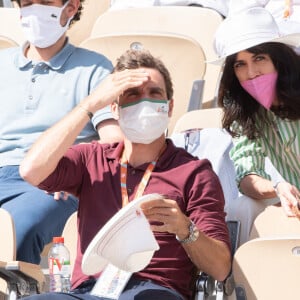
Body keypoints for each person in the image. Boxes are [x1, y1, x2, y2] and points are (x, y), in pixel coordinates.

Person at [20, 49, 231, 300]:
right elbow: (31, 170)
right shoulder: (92, 158)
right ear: (115, 109)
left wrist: (185, 228)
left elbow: (220, 268)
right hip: (89, 290)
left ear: (169, 106)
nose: (145, 101)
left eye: (155, 94)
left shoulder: (194, 173)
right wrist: (88, 105)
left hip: (155, 290)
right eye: (132, 94)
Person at [0, 0, 123, 264]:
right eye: (27, 2)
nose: (35, 9)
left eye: (45, 2)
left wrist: (71, 172)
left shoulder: (96, 68)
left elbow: (114, 143)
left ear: (71, 7)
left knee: (14, 230)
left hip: (51, 184)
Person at [213, 2, 300, 245]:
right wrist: (279, 186)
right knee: (242, 206)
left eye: (259, 58)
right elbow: (247, 175)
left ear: (278, 59)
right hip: (295, 212)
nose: (251, 72)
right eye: (240, 64)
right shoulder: (245, 108)